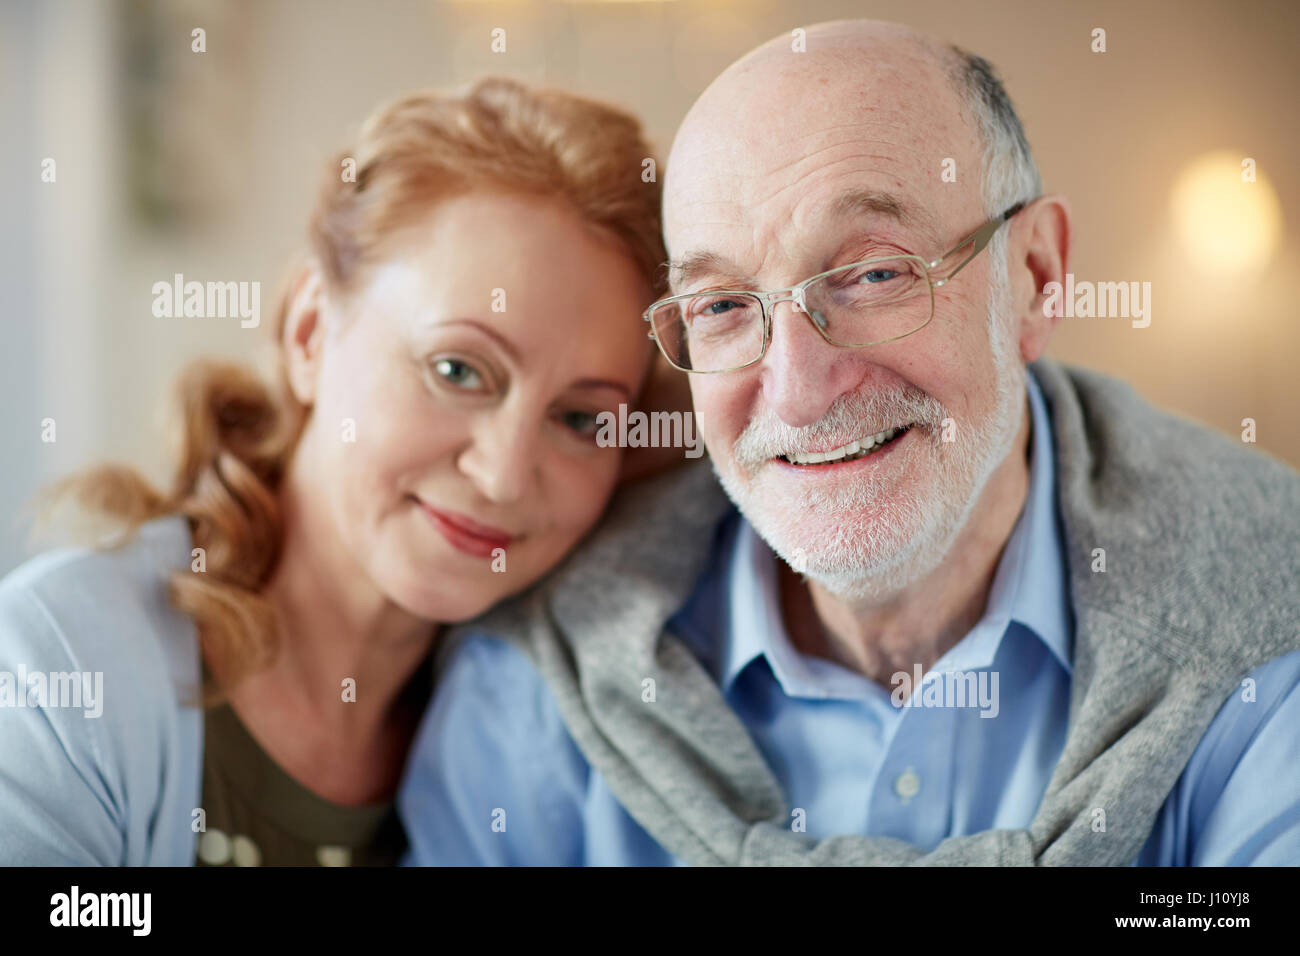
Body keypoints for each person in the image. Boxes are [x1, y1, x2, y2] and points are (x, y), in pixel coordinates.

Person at [399, 21, 1300, 865]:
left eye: (874, 273)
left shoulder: (1267, 623)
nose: (795, 393)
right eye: (720, 306)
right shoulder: (530, 694)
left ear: (1033, 278)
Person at [0, 77, 676, 866]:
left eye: (580, 418)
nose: (503, 476)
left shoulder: (552, 730)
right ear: (311, 332)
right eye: (458, 370)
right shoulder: (56, 668)